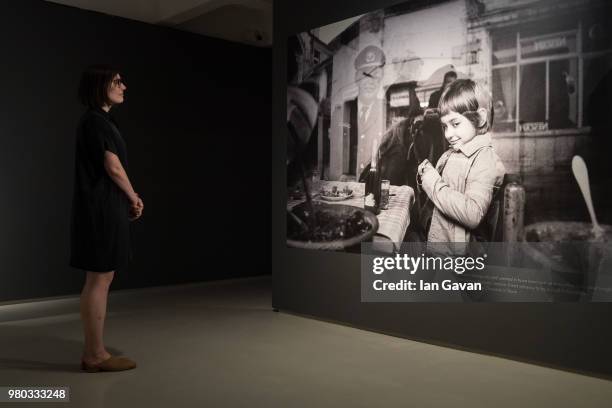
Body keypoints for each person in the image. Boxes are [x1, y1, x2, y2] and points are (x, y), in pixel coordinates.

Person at [71, 65, 143, 372]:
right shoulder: (95, 122)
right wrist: (133, 196)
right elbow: (112, 166)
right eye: (116, 82)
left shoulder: (100, 121)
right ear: (100, 86)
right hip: (101, 210)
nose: (123, 86)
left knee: (101, 278)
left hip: (101, 209)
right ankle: (95, 355)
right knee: (100, 279)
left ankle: (94, 351)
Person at [416, 79, 506, 254]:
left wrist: (432, 183)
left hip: (458, 258)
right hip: (438, 245)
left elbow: (473, 214)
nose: (448, 134)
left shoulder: (484, 159)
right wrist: (423, 178)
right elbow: (437, 194)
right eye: (444, 126)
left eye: (455, 124)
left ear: (479, 118)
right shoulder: (451, 152)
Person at [351, 45, 386, 178]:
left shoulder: (386, 111)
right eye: (366, 75)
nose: (371, 82)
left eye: (376, 76)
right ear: (356, 79)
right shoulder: (341, 113)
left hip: (375, 184)